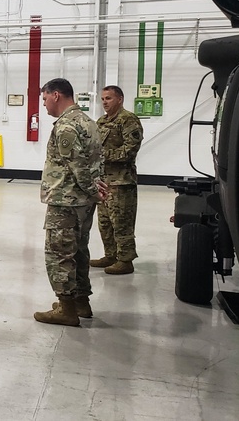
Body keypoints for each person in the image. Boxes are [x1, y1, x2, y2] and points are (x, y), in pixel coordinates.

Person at [34, 78, 105, 327]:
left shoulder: (66, 126)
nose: (43, 104)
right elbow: (97, 161)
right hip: (83, 202)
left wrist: (91, 190)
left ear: (55, 95)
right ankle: (81, 302)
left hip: (66, 200)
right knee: (79, 250)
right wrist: (95, 191)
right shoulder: (89, 122)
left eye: (44, 99)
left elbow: (78, 167)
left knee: (59, 253)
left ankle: (66, 308)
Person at [92, 85, 143, 275]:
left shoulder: (128, 120)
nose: (105, 102)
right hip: (104, 181)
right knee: (105, 222)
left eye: (109, 98)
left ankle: (126, 260)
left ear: (119, 99)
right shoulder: (101, 122)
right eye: (103, 99)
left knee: (121, 222)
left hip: (121, 182)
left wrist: (103, 155)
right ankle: (110, 255)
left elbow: (130, 150)